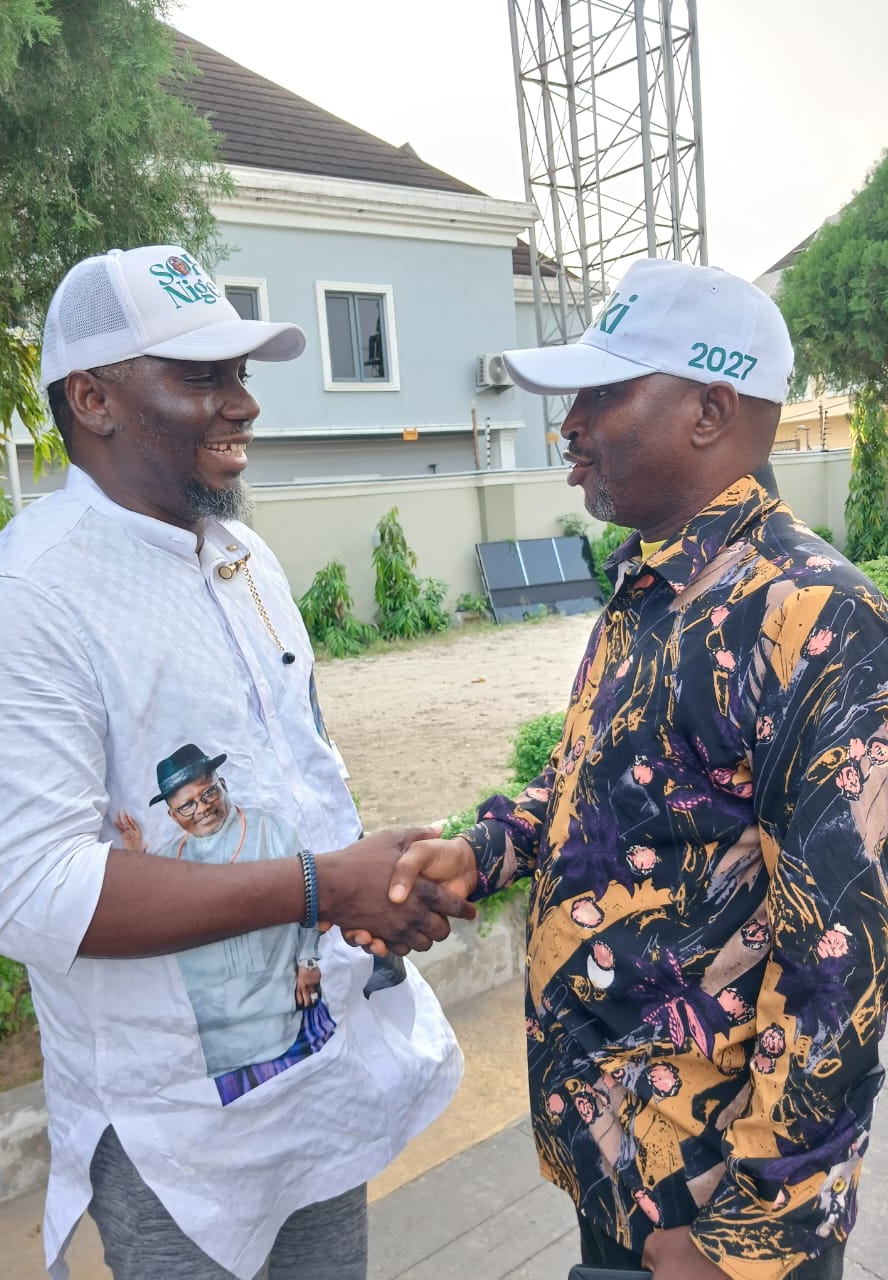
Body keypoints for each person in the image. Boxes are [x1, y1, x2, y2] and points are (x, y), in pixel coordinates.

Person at [0, 244, 475, 1280]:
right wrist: (323, 884)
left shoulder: (241, 557)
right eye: (201, 376)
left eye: (241, 372)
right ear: (93, 398)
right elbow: (32, 893)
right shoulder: (17, 606)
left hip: (316, 1082)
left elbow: (297, 779)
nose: (243, 403)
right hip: (180, 1129)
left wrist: (376, 884)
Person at [385, 258, 888, 1280]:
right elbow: (604, 781)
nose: (568, 426)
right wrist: (484, 849)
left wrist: (741, 1241)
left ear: (710, 410)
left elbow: (841, 963)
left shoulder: (814, 615)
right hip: (617, 1157)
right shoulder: (659, 584)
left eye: (602, 394)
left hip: (709, 1207)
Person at [119, 743, 330, 1102]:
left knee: (308, 1101)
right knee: (249, 1122)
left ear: (224, 785)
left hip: (285, 1010)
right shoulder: (170, 862)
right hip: (221, 1038)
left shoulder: (270, 830)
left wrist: (308, 960)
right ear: (173, 816)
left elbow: (312, 894)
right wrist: (137, 859)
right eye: (187, 805)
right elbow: (146, 917)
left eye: (208, 793)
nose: (202, 808)